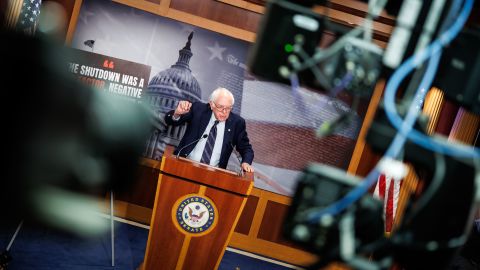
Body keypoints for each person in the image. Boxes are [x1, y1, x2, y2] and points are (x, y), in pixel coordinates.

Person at [165, 87, 254, 172]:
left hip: (214, 174)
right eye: (220, 107)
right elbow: (171, 121)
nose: (224, 112)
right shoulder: (198, 110)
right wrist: (177, 114)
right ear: (212, 104)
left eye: (228, 108)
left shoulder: (237, 123)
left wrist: (246, 162)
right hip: (184, 165)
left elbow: (246, 148)